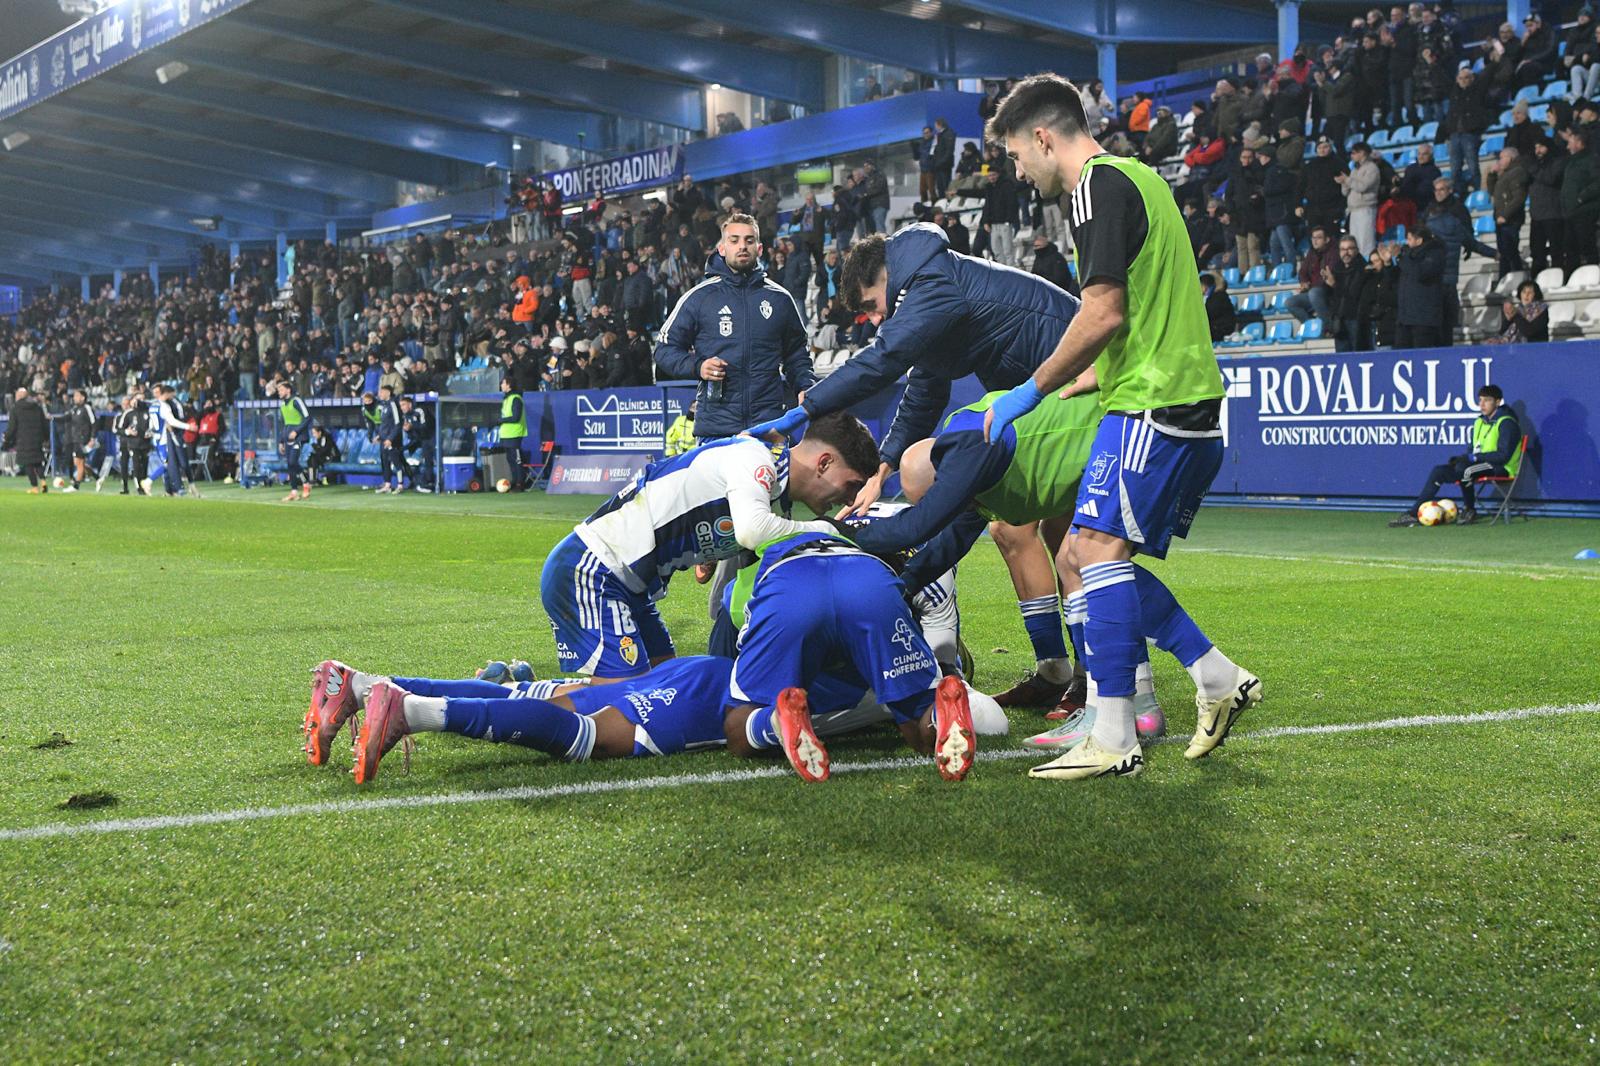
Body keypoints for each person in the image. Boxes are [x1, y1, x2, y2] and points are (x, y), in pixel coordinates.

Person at [982, 73, 1262, 780]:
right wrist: (1078, 383)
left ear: (1043, 137)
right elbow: (1139, 312)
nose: (1020, 171)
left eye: (1018, 155)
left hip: (1154, 405)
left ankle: (1114, 736)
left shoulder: (1092, 188)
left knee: (1094, 555)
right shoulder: (1140, 178)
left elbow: (1103, 313)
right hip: (1167, 399)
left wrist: (1029, 388)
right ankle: (1214, 676)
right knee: (1082, 556)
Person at [539, 414, 878, 682]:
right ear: (824, 463)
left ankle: (518, 687)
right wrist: (828, 529)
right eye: (853, 485)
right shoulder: (755, 460)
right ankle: (508, 699)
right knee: (624, 707)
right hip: (592, 570)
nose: (851, 499)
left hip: (630, 586)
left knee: (662, 688)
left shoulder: (763, 468)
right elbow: (752, 530)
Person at [652, 213, 814, 443]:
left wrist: (805, 385)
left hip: (769, 428)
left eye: (749, 241)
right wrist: (698, 366)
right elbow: (664, 349)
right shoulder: (700, 298)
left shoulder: (780, 299)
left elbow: (797, 353)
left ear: (759, 249)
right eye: (734, 240)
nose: (742, 246)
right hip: (716, 429)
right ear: (721, 248)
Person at [1390, 385, 1522, 526]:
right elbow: (1473, 451)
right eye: (1480, 400)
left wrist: (1473, 459)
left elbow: (1503, 456)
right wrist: (1462, 459)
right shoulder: (1479, 422)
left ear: (1497, 402)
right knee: (1439, 471)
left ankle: (1469, 510)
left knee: (1467, 471)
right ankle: (1413, 513)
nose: (1482, 404)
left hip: (1500, 467)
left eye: (1487, 400)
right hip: (1480, 464)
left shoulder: (1507, 423)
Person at [1443, 66, 1492, 199]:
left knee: (1473, 166)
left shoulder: (1478, 92)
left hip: (1470, 134)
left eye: (1466, 78)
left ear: (1472, 79)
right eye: (1460, 78)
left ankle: (1477, 193)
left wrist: (1476, 126)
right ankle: (1457, 194)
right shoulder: (1454, 93)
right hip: (1454, 134)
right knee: (1455, 168)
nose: (1463, 81)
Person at [1394, 224, 1445, 349]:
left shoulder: (1435, 253)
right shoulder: (1408, 255)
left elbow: (1420, 273)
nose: (1407, 242)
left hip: (1423, 319)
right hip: (1405, 318)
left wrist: (1401, 257)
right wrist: (1388, 263)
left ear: (1419, 240)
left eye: (1410, 239)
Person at [1486, 146, 1530, 279]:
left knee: (1509, 251)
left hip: (1510, 219)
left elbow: (1518, 198)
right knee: (1504, 252)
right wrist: (1492, 175)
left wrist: (1505, 215)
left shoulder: (1517, 172)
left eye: (1501, 158)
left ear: (1510, 158)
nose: (1499, 161)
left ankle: (1514, 277)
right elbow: (1492, 192)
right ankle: (1505, 278)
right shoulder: (1505, 174)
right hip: (1501, 219)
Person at [1288, 226, 1338, 325]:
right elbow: (1303, 271)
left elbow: (1328, 277)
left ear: (1326, 239)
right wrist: (1304, 282)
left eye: (1318, 238)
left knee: (1314, 293)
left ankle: (1329, 326)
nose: (1314, 241)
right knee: (1290, 303)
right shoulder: (1311, 252)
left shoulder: (1334, 253)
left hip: (1328, 292)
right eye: (1313, 238)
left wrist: (1310, 287)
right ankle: (1312, 325)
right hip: (1313, 291)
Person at [2, 386, 49, 493]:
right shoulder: (37, 407)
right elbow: (44, 424)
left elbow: (12, 427)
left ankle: (34, 487)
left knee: (28, 464)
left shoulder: (16, 408)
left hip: (23, 440)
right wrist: (46, 438)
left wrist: (7, 437)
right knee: (37, 462)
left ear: (18, 396)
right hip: (37, 439)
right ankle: (43, 483)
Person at [1339, 142, 1381, 257]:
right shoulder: (1355, 169)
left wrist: (1347, 180)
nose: (1351, 156)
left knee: (1366, 242)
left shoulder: (1372, 168)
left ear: (1362, 153)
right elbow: (1345, 192)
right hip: (1354, 210)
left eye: (1353, 153)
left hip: (1366, 209)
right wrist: (1344, 182)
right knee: (1355, 243)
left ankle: (1368, 263)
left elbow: (1362, 187)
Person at [495, 374, 528, 492]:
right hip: (506, 434)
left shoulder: (516, 399)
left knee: (517, 459)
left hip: (515, 433)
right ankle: (514, 481)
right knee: (510, 459)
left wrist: (501, 420)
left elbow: (516, 418)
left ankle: (520, 483)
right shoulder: (507, 398)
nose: (501, 385)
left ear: (508, 385)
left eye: (503, 383)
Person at [112, 393, 149, 495]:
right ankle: (126, 487)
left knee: (141, 465)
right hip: (126, 443)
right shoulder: (122, 415)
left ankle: (142, 485)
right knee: (126, 465)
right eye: (123, 403)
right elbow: (116, 429)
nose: (125, 405)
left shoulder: (145, 412)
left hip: (141, 443)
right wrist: (127, 432)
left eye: (126, 403)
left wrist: (150, 433)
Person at [374, 384, 407, 494]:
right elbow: (385, 424)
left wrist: (390, 439)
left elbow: (398, 424)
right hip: (384, 439)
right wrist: (379, 435)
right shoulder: (383, 405)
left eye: (382, 392)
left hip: (391, 440)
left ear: (388, 393)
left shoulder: (393, 404)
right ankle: (387, 484)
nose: (380, 394)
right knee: (385, 462)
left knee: (396, 461)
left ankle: (400, 485)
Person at [62, 388, 96, 493]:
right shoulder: (75, 409)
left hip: (83, 439)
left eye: (77, 396)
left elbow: (94, 423)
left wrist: (92, 438)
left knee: (80, 462)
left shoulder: (87, 408)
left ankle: (76, 486)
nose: (75, 398)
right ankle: (98, 477)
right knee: (78, 462)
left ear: (83, 397)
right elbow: (66, 417)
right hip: (76, 439)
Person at [400, 395, 434, 493]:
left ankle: (428, 484)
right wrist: (407, 430)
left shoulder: (420, 410)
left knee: (427, 459)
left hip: (429, 437)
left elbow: (425, 426)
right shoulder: (405, 415)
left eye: (404, 405)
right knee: (398, 453)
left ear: (410, 404)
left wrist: (412, 426)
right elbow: (412, 432)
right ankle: (413, 480)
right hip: (418, 439)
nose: (402, 407)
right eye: (401, 405)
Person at [304, 424, 340, 491]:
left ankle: (313, 480)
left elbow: (324, 451)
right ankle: (312, 479)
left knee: (313, 458)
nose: (313, 435)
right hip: (324, 457)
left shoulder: (326, 438)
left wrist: (315, 447)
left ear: (319, 432)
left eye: (314, 433)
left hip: (332, 458)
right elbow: (319, 451)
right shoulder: (319, 439)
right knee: (311, 458)